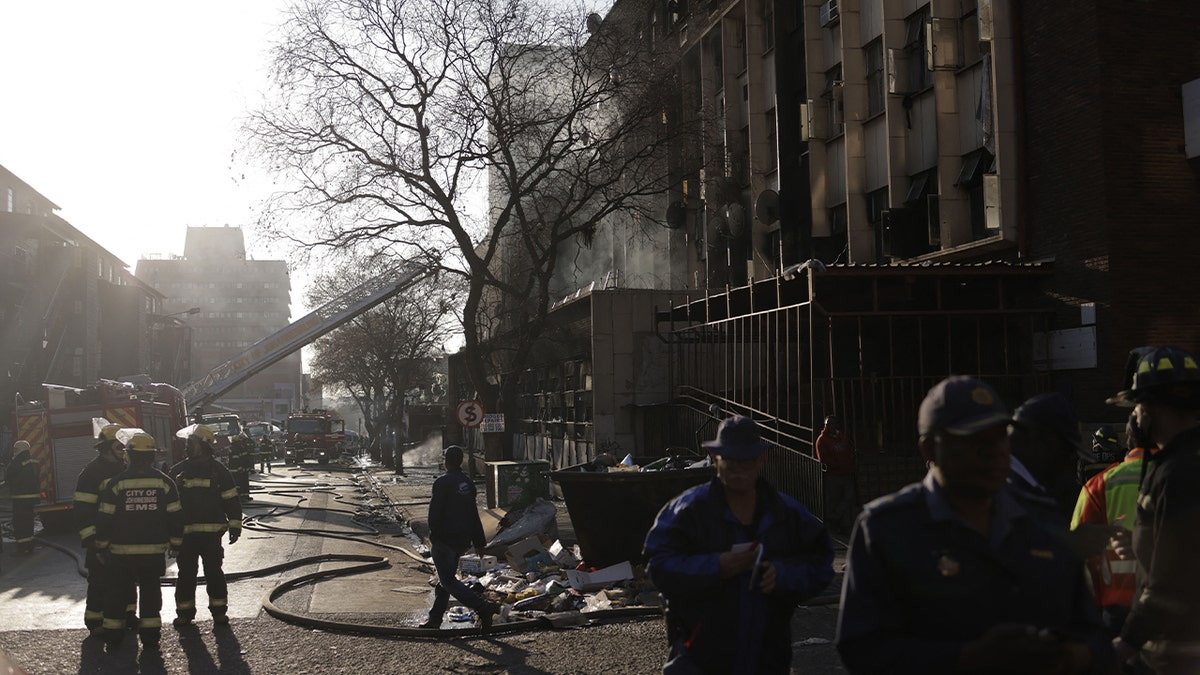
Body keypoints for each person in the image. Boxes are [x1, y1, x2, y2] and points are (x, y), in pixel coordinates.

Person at [836, 376, 1112, 674]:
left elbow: (1095, 639)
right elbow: (861, 651)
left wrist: (1069, 655)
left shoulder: (1040, 519)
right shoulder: (886, 529)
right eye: (974, 440)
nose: (993, 451)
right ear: (930, 449)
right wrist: (965, 658)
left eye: (999, 436)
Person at [644, 415, 834, 674]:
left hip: (768, 660)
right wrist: (716, 567)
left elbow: (821, 565)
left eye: (747, 461)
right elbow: (658, 566)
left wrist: (783, 575)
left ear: (761, 460)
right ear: (715, 459)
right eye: (731, 462)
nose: (739, 470)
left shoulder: (788, 515)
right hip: (701, 660)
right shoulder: (687, 512)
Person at [1107, 346, 1200, 674]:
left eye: (1137, 406)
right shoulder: (1181, 464)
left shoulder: (1177, 472)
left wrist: (1127, 642)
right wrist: (1141, 539)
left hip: (1174, 652)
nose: (1134, 415)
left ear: (1151, 407)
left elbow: (1172, 575)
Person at [95, 432, 183, 652]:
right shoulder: (164, 483)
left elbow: (105, 517)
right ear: (152, 456)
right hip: (152, 553)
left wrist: (101, 545)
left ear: (130, 456)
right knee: (151, 594)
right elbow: (175, 517)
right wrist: (176, 544)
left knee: (116, 593)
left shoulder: (116, 483)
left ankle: (114, 637)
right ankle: (151, 638)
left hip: (120, 553)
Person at [1070, 413, 1148, 638]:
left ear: (1129, 439)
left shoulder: (1098, 485)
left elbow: (1079, 553)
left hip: (1117, 608)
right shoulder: (1184, 477)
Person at [419, 445, 499, 633]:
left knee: (447, 580)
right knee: (444, 580)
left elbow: (434, 514)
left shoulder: (442, 483)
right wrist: (479, 542)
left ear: (446, 461)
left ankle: (482, 607)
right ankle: (434, 619)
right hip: (461, 541)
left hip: (444, 539)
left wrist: (434, 535)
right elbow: (473, 515)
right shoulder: (467, 483)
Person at [169, 425, 242, 628]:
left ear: (203, 446)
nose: (186, 447)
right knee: (186, 575)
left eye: (190, 443)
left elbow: (231, 500)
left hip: (211, 536)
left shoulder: (219, 472)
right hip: (186, 536)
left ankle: (219, 612)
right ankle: (184, 613)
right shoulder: (177, 472)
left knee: (214, 573)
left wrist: (235, 525)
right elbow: (168, 506)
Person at [74, 424, 130, 636]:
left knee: (125, 579)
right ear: (106, 448)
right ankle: (95, 622)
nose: (123, 451)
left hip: (122, 538)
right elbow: (82, 511)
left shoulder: (123, 469)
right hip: (100, 538)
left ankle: (126, 616)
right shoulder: (92, 473)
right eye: (119, 447)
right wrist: (92, 541)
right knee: (99, 581)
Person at [1009, 392, 1084, 521]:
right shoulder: (1002, 488)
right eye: (1067, 449)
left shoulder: (1025, 486)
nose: (1071, 459)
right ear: (1038, 437)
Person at [815, 414, 857, 533]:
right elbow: (823, 459)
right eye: (827, 424)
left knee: (848, 497)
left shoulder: (841, 436)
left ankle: (837, 519)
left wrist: (848, 463)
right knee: (833, 500)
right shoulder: (822, 440)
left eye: (832, 424)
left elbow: (848, 450)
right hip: (833, 474)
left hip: (846, 472)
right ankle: (835, 523)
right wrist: (838, 465)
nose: (830, 426)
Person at [6, 439, 42, 555]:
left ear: (21, 449)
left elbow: (8, 475)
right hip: (31, 498)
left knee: (19, 523)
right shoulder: (34, 461)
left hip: (20, 498)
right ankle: (29, 545)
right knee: (28, 522)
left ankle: (21, 548)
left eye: (16, 449)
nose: (14, 451)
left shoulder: (16, 462)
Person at [227, 432, 254, 501]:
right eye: (240, 441)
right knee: (238, 484)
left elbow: (245, 458)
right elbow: (235, 461)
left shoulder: (240, 447)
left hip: (242, 469)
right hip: (236, 470)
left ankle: (245, 496)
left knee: (244, 483)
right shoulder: (234, 449)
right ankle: (240, 497)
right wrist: (240, 468)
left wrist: (248, 468)